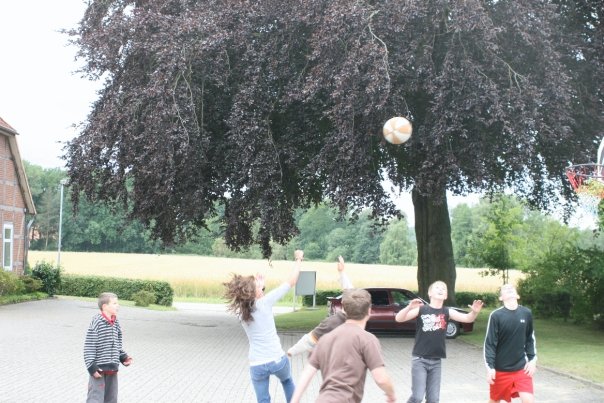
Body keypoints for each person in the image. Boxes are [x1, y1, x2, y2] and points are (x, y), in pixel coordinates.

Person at [224, 249, 304, 403]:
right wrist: (299, 259)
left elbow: (254, 302)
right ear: (255, 292)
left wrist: (259, 288)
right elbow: (291, 281)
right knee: (287, 381)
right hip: (277, 360)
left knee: (263, 399)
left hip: (257, 364)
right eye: (258, 287)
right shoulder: (265, 303)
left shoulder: (241, 312)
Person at [291, 288, 397, 403]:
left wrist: (295, 400)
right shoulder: (367, 339)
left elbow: (307, 372)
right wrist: (391, 394)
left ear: (343, 309)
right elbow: (381, 378)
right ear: (369, 311)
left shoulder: (326, 338)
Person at [395, 281, 484, 403]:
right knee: (417, 397)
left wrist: (474, 312)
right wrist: (409, 307)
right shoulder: (422, 310)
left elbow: (467, 319)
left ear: (446, 295)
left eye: (444, 288)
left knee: (433, 399)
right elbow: (399, 318)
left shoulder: (447, 312)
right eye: (437, 287)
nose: (441, 289)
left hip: (436, 361)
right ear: (430, 293)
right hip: (420, 360)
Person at [287, 255, 352, 357]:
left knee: (309, 339)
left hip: (322, 337)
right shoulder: (356, 322)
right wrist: (342, 272)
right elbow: (349, 290)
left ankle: (298, 350)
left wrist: (342, 271)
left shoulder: (335, 321)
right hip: (334, 345)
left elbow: (348, 291)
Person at [483, 284, 537, 403]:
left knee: (529, 400)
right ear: (501, 298)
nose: (509, 288)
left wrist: (533, 361)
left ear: (517, 295)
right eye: (505, 289)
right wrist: (490, 368)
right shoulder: (496, 316)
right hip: (500, 369)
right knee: (494, 400)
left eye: (512, 288)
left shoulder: (526, 313)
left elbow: (530, 339)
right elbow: (490, 344)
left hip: (521, 368)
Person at [84, 292, 133, 403]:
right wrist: (92, 367)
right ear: (105, 306)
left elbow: (117, 345)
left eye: (118, 303)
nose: (118, 305)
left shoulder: (115, 323)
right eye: (114, 303)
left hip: (112, 369)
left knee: (111, 399)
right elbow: (89, 346)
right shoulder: (97, 322)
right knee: (95, 398)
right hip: (99, 369)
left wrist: (123, 357)